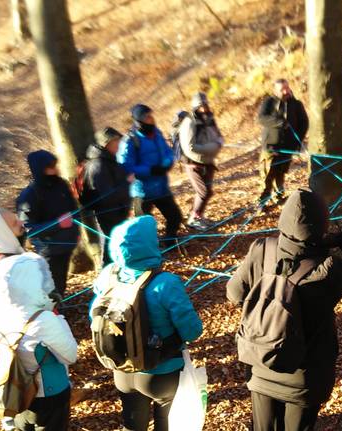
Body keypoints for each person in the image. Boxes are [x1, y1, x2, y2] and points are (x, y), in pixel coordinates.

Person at [226, 188, 342, 431]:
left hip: (261, 363)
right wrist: (341, 238)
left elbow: (234, 294)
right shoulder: (328, 269)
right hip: (304, 377)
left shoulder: (261, 249)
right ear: (322, 225)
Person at [91, 215, 203, 431]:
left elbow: (95, 316)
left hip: (122, 368)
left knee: (133, 425)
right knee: (168, 425)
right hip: (162, 371)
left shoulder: (107, 276)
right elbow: (192, 331)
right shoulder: (165, 283)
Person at [0, 254, 78, 431]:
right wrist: (58, 318)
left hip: (15, 392)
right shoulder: (44, 319)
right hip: (48, 394)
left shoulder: (1, 314)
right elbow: (71, 355)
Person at [16, 150, 79, 296]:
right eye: (50, 167)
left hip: (67, 244)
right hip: (49, 250)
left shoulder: (61, 185)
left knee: (61, 282)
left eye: (54, 165)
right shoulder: (29, 195)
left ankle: (59, 308)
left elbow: (73, 210)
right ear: (39, 169)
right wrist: (58, 224)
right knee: (51, 285)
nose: (55, 169)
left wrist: (76, 231)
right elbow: (28, 228)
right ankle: (52, 313)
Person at [117, 104, 183, 245]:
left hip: (161, 187)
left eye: (151, 115)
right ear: (139, 120)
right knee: (144, 226)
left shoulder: (157, 133)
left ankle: (170, 242)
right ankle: (150, 251)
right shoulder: (130, 140)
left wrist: (168, 162)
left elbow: (167, 151)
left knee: (175, 217)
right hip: (141, 192)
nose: (151, 118)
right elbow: (125, 165)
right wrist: (150, 170)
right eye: (147, 116)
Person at [257, 79, 309, 209]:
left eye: (287, 88)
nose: (285, 91)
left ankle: (278, 197)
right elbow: (262, 118)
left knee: (280, 173)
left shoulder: (296, 104)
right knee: (267, 175)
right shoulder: (269, 102)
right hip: (271, 146)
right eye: (282, 89)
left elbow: (304, 123)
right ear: (275, 90)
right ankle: (262, 201)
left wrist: (298, 142)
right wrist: (280, 122)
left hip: (288, 147)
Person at [83, 127, 131, 266]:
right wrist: (127, 183)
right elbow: (107, 195)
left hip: (117, 210)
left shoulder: (109, 160)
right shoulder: (98, 164)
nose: (119, 144)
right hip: (108, 212)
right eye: (116, 141)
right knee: (113, 243)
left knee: (116, 243)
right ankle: (107, 273)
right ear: (106, 143)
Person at [178, 92, 223, 231]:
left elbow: (217, 135)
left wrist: (219, 142)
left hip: (208, 162)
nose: (204, 108)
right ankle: (194, 219)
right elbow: (189, 147)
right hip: (194, 164)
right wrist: (211, 148)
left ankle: (199, 216)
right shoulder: (190, 122)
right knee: (203, 192)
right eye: (201, 106)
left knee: (207, 192)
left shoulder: (209, 118)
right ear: (196, 107)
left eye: (205, 105)